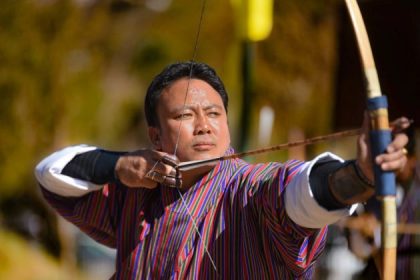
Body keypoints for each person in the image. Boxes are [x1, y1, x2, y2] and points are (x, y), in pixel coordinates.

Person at [34, 61, 408, 279]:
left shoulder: (249, 189)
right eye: (185, 115)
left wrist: (358, 176)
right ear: (155, 136)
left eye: (214, 113)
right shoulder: (134, 194)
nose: (204, 125)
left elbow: (301, 193)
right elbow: (51, 173)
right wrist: (118, 165)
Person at [345, 125, 420, 279]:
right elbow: (360, 251)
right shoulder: (373, 190)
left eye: (399, 157)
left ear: (412, 159)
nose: (391, 163)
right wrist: (368, 232)